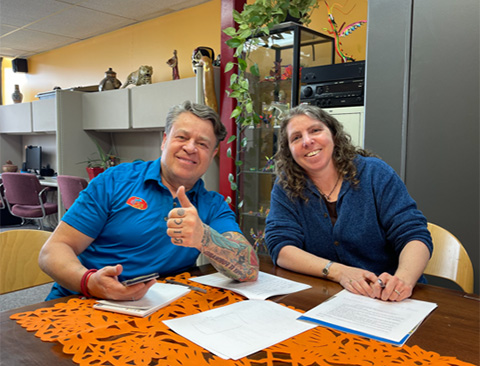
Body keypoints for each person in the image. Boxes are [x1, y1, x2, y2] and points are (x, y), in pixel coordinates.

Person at [39, 101, 259, 301]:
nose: (190, 148)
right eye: (182, 137)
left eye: (202, 144)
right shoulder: (114, 181)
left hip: (155, 308)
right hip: (82, 299)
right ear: (164, 141)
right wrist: (88, 282)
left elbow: (250, 269)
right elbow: (53, 251)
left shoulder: (213, 205)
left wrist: (205, 238)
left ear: (212, 156)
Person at [265, 104, 432, 302]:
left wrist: (403, 280)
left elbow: (414, 234)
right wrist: (338, 272)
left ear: (333, 135)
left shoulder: (374, 173)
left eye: (315, 130)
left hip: (391, 298)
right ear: (289, 151)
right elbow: (281, 247)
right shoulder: (286, 186)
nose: (308, 141)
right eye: (296, 138)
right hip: (329, 297)